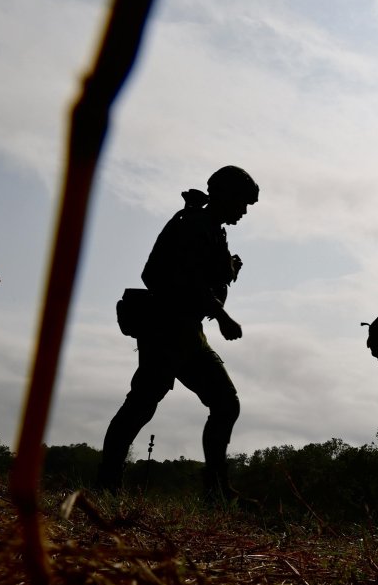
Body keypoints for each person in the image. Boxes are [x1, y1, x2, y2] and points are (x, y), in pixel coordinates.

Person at [96, 166, 257, 500]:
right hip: (165, 328)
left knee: (225, 403)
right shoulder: (193, 224)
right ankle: (106, 482)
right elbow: (180, 279)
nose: (243, 211)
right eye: (242, 203)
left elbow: (206, 277)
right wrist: (222, 315)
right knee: (142, 403)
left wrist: (229, 271)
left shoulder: (214, 230)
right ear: (224, 195)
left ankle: (215, 489)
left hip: (189, 332)